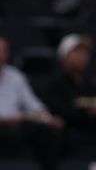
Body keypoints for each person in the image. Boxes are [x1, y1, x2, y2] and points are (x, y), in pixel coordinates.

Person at [0, 35, 63, 168]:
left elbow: (33, 104)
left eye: (3, 50)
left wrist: (48, 118)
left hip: (17, 126)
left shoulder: (15, 76)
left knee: (49, 131)